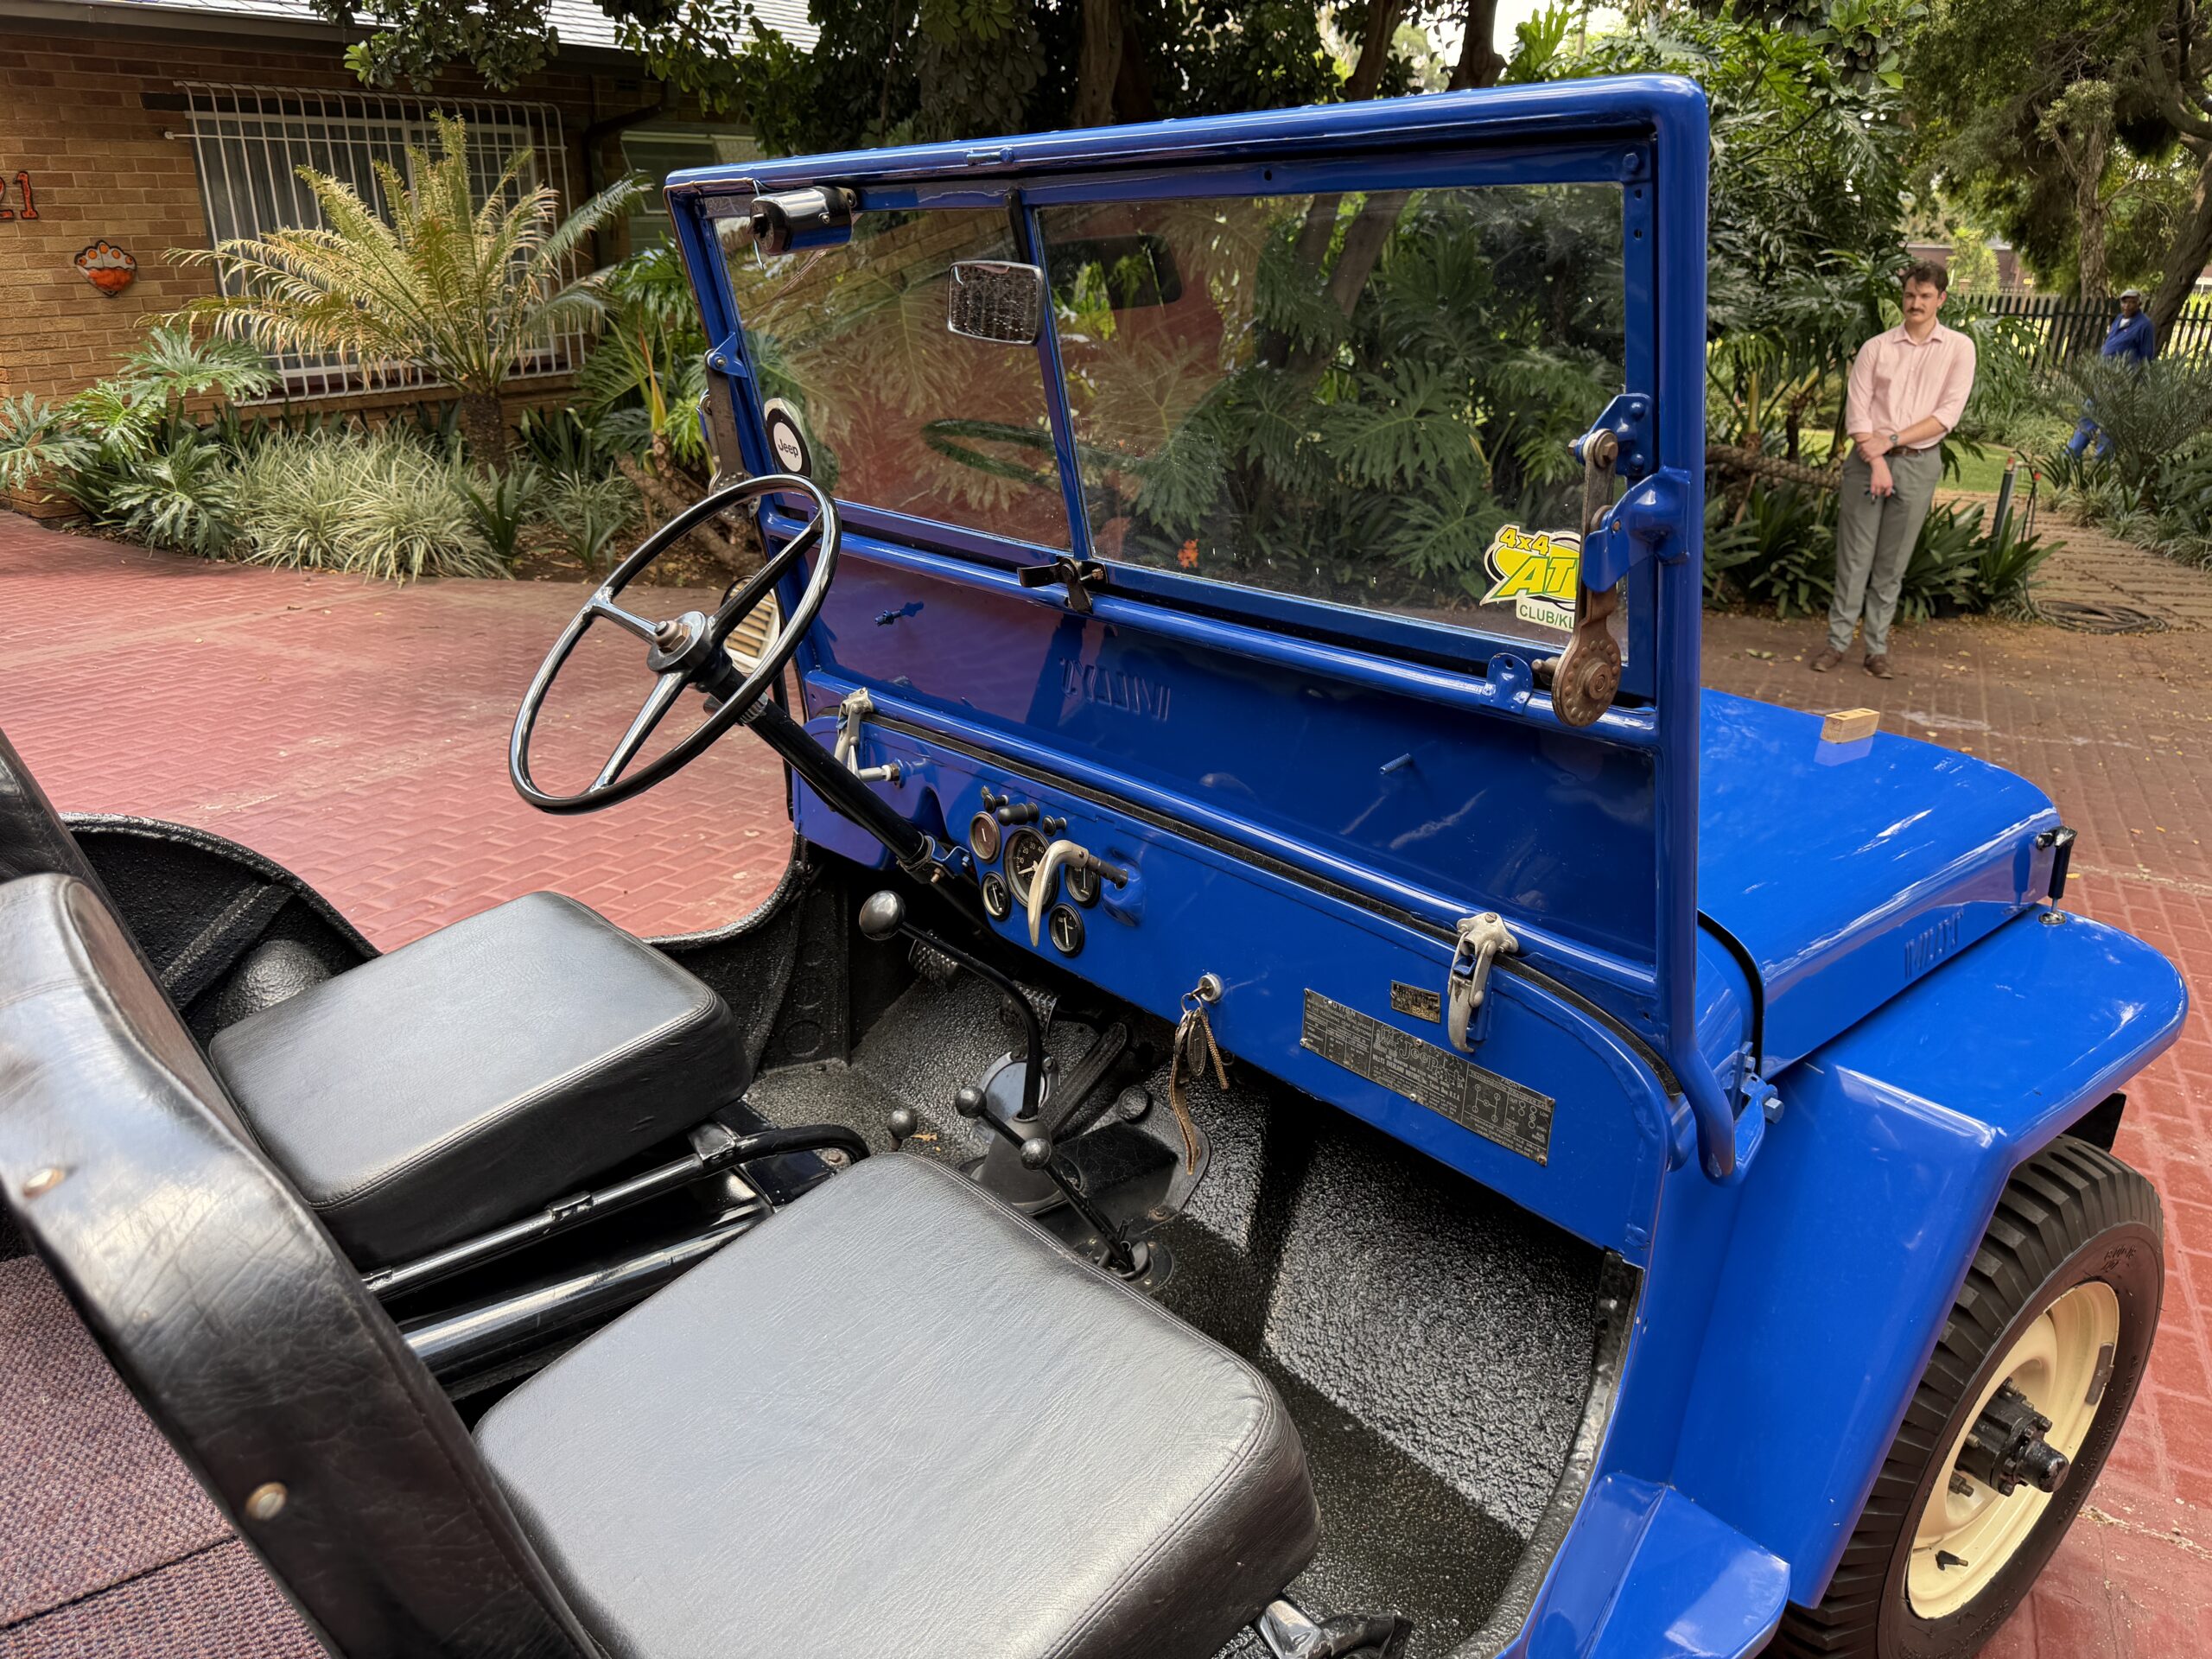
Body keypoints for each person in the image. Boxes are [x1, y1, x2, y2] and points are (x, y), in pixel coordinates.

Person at [1814, 261, 1977, 681]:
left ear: (1941, 299)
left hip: (1920, 464)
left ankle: (1877, 649)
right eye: (1909, 295)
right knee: (1854, 558)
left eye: (1925, 296)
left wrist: (1891, 442)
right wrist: (1878, 460)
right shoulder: (1877, 348)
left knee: (1892, 563)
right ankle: (1836, 643)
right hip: (1867, 464)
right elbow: (1858, 416)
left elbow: (1946, 417)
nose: (1915, 303)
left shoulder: (1959, 349)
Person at [2066, 288, 2157, 459]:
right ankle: (2070, 455)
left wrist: (2138, 383)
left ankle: (2101, 465)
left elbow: (2147, 357)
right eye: (2124, 301)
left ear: (2139, 303)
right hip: (2101, 381)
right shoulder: (2118, 320)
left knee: (2111, 426)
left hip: (2122, 384)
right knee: (2088, 417)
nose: (2128, 305)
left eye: (2132, 301)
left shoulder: (2145, 325)